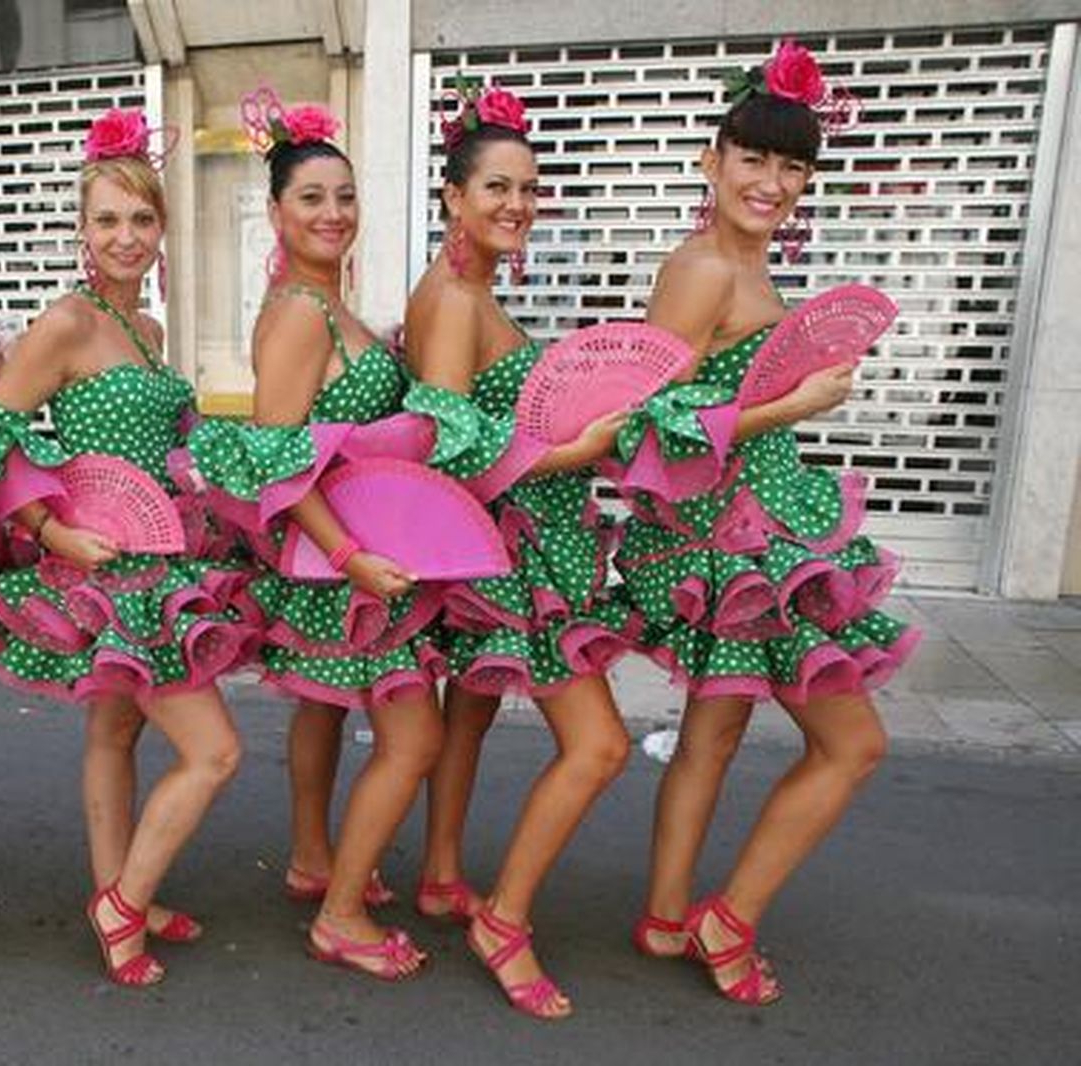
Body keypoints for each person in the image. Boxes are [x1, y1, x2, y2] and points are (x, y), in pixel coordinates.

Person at [614, 40, 919, 1005]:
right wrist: (795, 406)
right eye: (754, 157)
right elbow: (650, 421)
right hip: (729, 534)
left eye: (793, 165)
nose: (772, 181)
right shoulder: (704, 268)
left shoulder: (744, 266)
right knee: (854, 744)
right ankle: (725, 917)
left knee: (713, 734)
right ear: (714, 159)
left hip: (752, 524)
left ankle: (668, 918)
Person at [0, 107, 254, 986]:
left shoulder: (150, 334)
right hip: (103, 572)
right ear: (81, 229)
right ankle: (122, 905)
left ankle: (120, 892)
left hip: (161, 561)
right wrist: (46, 527)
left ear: (163, 229)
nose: (127, 237)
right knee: (214, 752)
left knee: (116, 732)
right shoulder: (67, 324)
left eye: (142, 219)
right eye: (108, 219)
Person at [187, 91, 443, 980]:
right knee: (415, 743)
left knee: (327, 709)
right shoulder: (299, 314)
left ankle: (310, 858)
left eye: (345, 197)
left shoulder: (330, 305)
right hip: (345, 562)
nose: (333, 213)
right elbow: (276, 462)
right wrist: (349, 557)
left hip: (352, 558)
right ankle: (339, 916)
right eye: (312, 198)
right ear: (276, 211)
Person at [402, 77, 637, 1018]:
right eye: (497, 186)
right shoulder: (454, 297)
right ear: (454, 198)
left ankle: (443, 875)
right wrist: (574, 450)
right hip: (517, 557)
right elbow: (449, 442)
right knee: (602, 745)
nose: (517, 204)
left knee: (470, 714)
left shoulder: (470, 289)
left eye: (530, 188)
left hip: (529, 545)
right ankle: (502, 920)